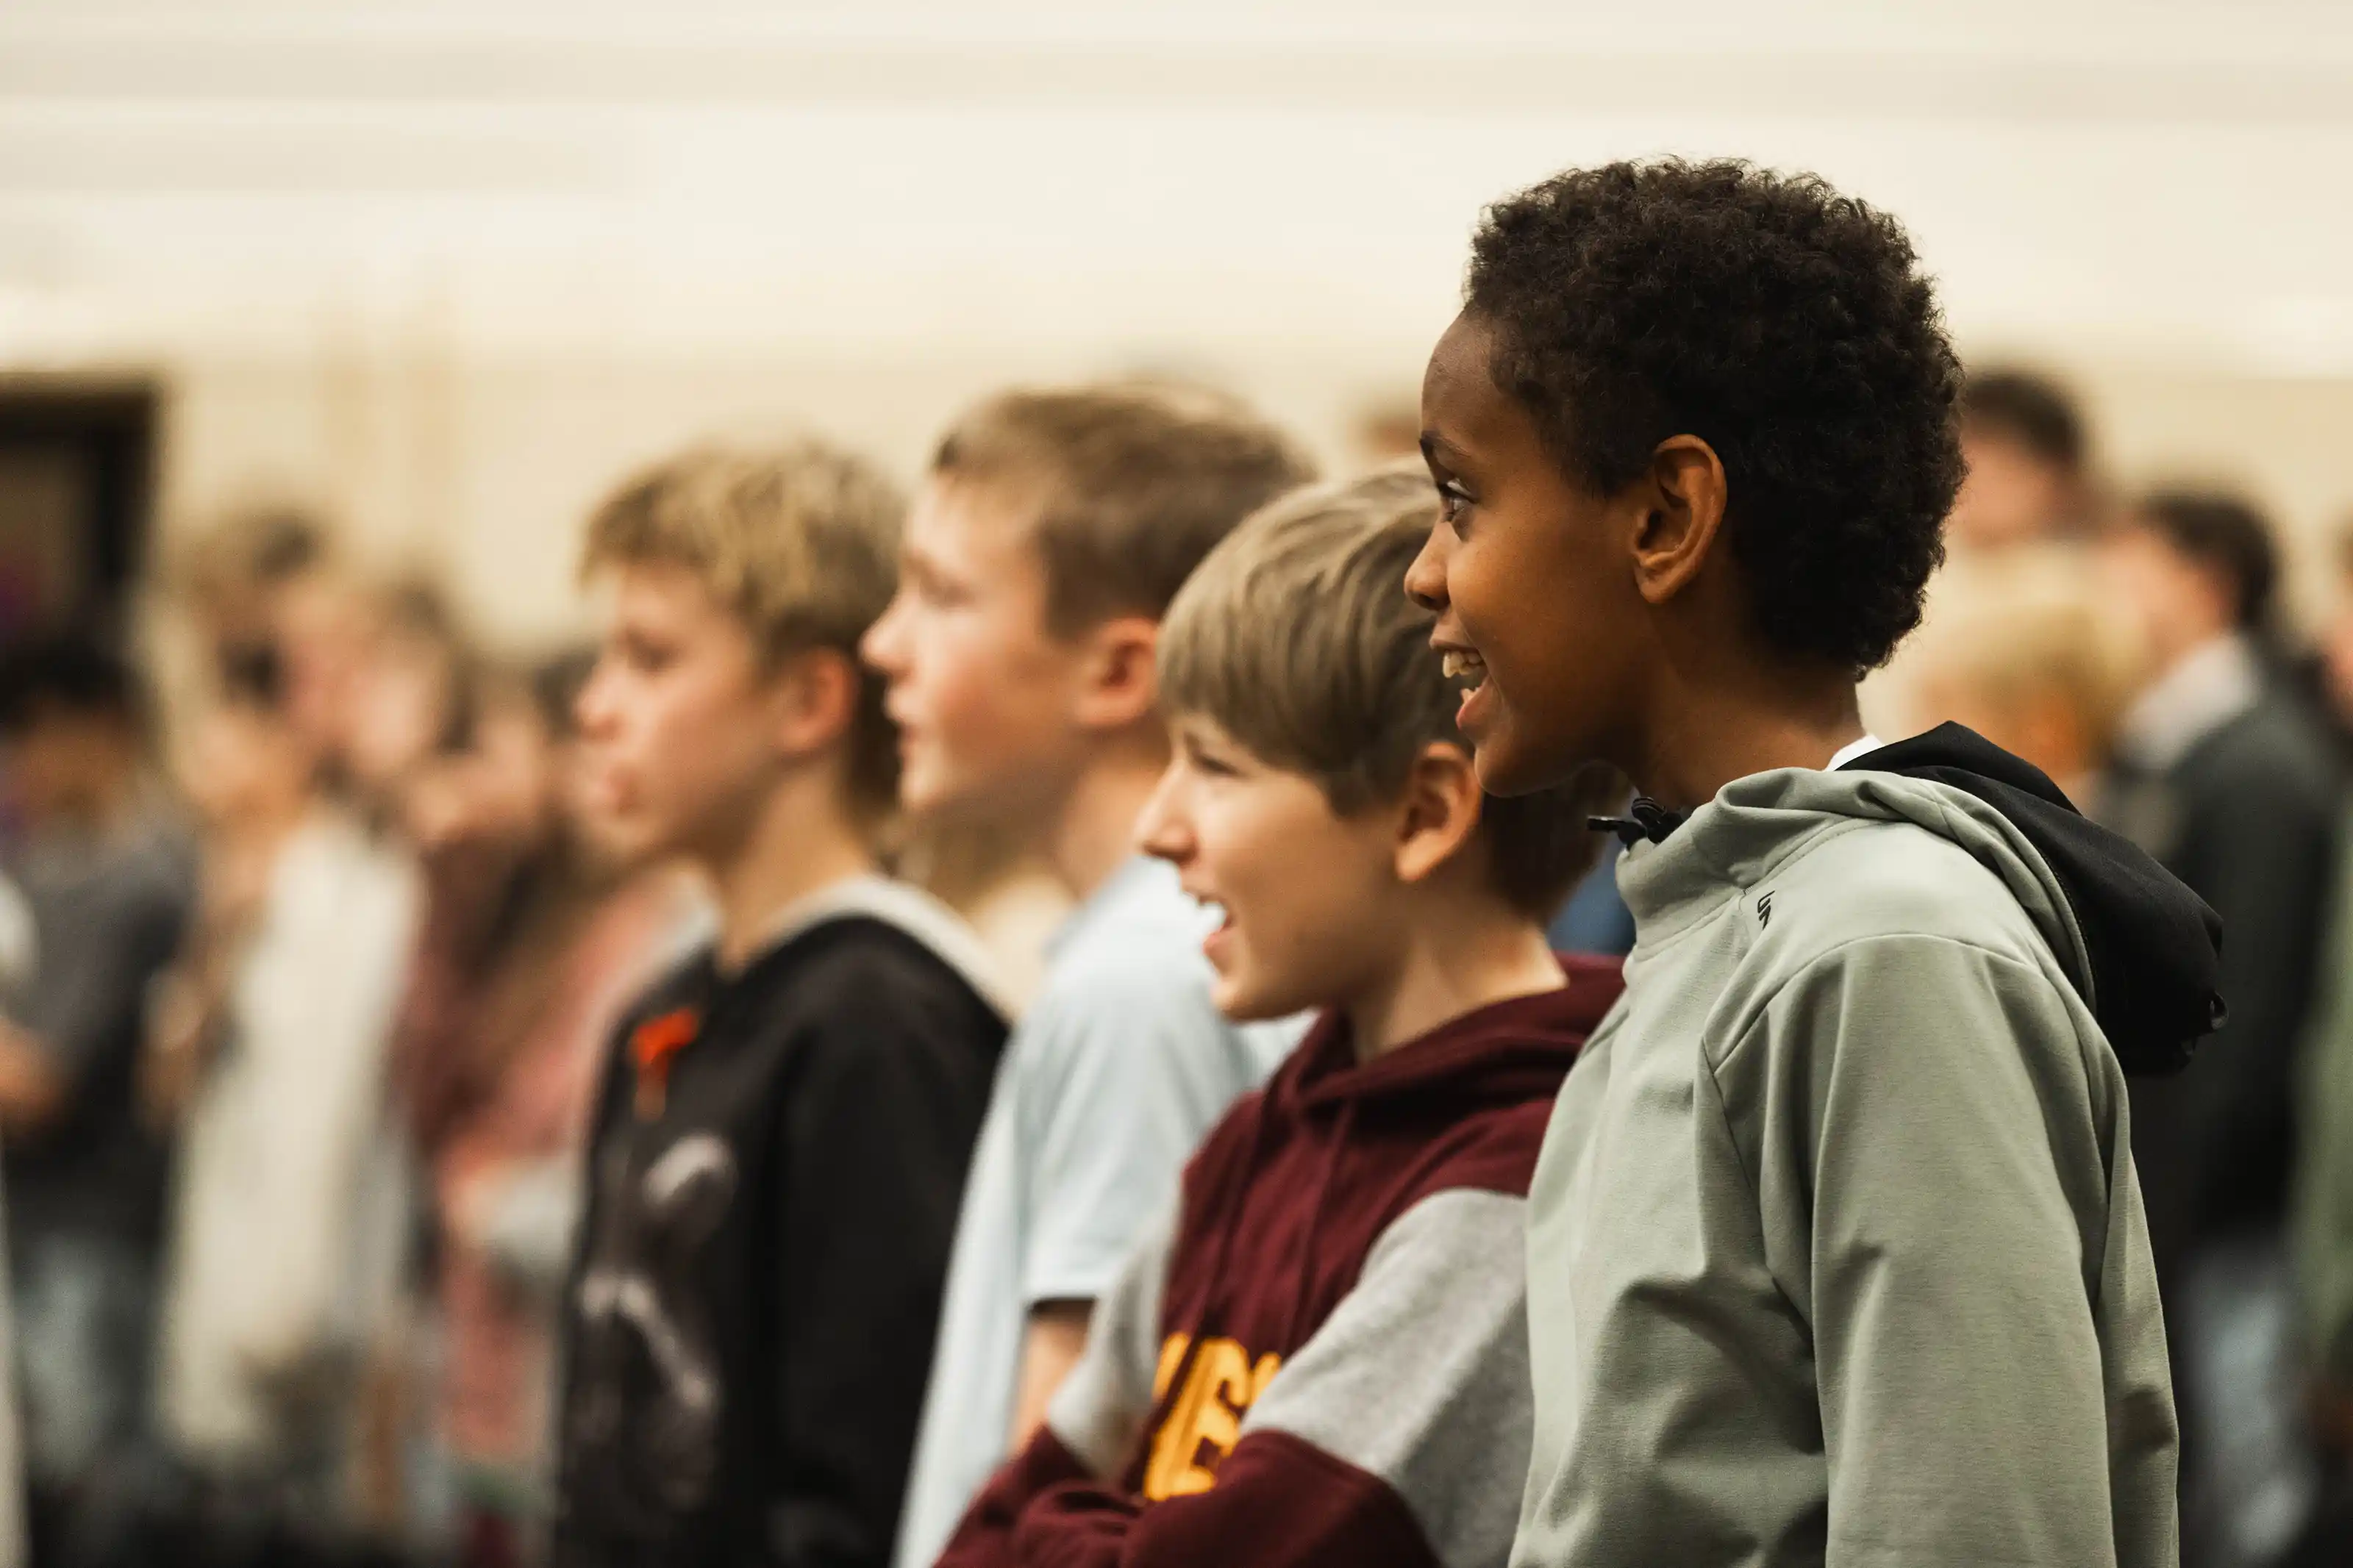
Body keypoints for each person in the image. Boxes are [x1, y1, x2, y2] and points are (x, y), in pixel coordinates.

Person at [1402, 157, 2211, 1568]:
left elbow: (1971, 1533)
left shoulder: (1884, 951)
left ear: (1664, 520)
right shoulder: (1715, 926)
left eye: (1463, 500)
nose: (1425, 570)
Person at [935, 468, 1623, 1568]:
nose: (1159, 826)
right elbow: (990, 1528)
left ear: (1422, 811)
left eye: (1214, 767)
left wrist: (1081, 1532)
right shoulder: (1257, 1140)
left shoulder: (1518, 1184)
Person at [863, 384, 1318, 1568]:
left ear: (1120, 673)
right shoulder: (1159, 955)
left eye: (942, 595)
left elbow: (1087, 1464)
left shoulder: (1138, 986)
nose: (884, 644)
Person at [550, 440, 1013, 1568]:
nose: (596, 706)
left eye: (650, 660)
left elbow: (865, 1471)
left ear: (808, 699)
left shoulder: (883, 1020)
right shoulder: (664, 1006)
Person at [393, 651, 701, 1567]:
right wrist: (445, 903)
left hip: (554, 1370)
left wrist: (492, 1210)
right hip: (475, 1371)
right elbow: (419, 1101)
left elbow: (637, 1183)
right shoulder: (534, 915)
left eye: (510, 750)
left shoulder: (658, 934)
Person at [2099, 490, 2340, 1567]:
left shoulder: (2263, 766)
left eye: (2134, 565)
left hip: (2228, 1213)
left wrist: (2181, 1198)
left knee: (2241, 1494)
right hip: (2193, 1196)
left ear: (2205, 579)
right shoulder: (2184, 745)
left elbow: (2254, 1019)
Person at [149, 641, 420, 1538]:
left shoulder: (355, 889)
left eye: (222, 731)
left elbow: (333, 1111)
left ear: (283, 745)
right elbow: (166, 1088)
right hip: (221, 1253)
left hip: (305, 1288)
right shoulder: (216, 884)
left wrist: (295, 1297)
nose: (200, 759)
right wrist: (218, 942)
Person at [0, 637, 196, 1562]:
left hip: (95, 1230)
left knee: (83, 1492)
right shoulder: (40, 864)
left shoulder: (146, 879)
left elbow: (41, 1083)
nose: (22, 763)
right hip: (32, 1220)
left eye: (38, 735)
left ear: (104, 730)